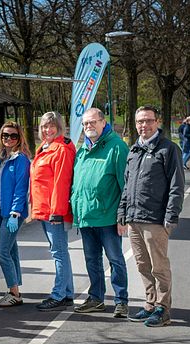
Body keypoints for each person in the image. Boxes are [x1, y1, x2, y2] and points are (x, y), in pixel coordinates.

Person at [119, 106, 185, 327]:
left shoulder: (168, 149)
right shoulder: (134, 150)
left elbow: (177, 186)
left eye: (148, 121)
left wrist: (171, 216)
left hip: (156, 220)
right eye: (139, 122)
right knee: (142, 265)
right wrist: (123, 212)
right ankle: (150, 304)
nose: (143, 125)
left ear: (157, 122)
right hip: (134, 219)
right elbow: (127, 186)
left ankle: (163, 309)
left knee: (159, 267)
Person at [71, 108, 130, 318]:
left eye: (93, 122)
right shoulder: (82, 151)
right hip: (86, 217)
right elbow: (77, 184)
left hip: (109, 217)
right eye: (86, 123)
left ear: (103, 123)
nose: (89, 126)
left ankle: (121, 300)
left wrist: (123, 216)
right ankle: (96, 298)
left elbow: (126, 185)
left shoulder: (117, 147)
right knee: (91, 261)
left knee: (115, 260)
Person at [30, 111, 76, 311]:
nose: (47, 130)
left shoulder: (61, 150)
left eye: (52, 126)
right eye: (44, 127)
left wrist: (57, 211)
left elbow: (61, 182)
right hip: (45, 209)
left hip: (53, 211)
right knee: (59, 252)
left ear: (59, 128)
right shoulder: (46, 148)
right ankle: (66, 293)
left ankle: (58, 294)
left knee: (58, 253)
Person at [0, 121, 30, 307]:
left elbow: (21, 188)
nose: (9, 139)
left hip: (12, 213)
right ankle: (16, 290)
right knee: (11, 250)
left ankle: (13, 292)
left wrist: (15, 212)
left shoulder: (21, 159)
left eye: (13, 136)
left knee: (2, 251)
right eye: (5, 135)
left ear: (19, 138)